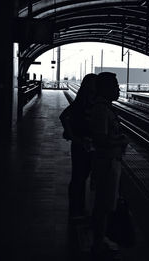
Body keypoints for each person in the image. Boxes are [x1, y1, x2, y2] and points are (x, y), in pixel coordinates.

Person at [88, 72, 128, 259]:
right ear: (105, 88)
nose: (118, 89)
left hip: (108, 161)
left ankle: (100, 239)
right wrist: (119, 140)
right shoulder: (102, 110)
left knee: (105, 204)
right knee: (104, 205)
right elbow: (100, 138)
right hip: (107, 163)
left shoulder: (104, 108)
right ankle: (98, 243)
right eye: (115, 85)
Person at [59, 73, 97, 219]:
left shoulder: (86, 101)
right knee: (79, 178)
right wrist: (73, 136)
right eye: (94, 83)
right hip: (82, 145)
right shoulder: (82, 103)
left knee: (81, 177)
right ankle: (76, 209)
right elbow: (63, 116)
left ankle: (79, 209)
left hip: (87, 145)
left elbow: (64, 117)